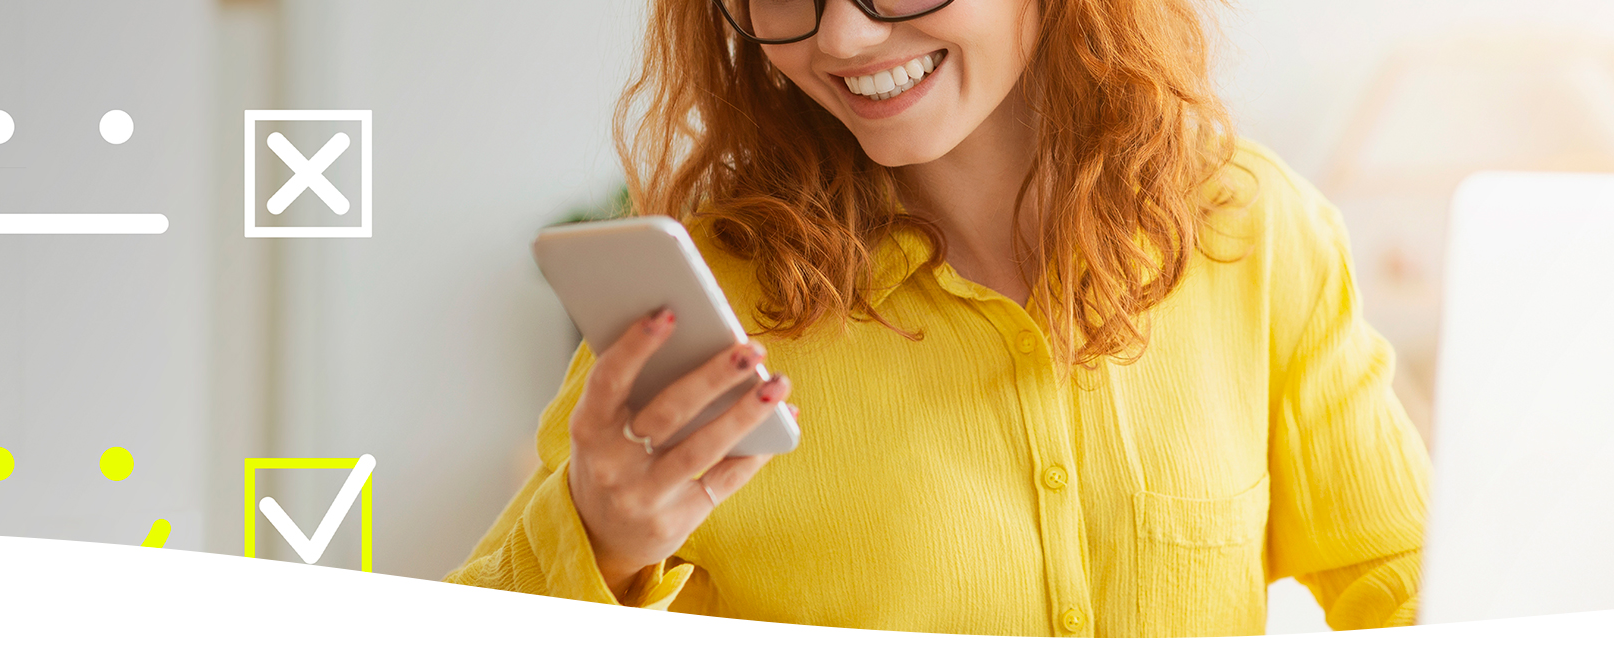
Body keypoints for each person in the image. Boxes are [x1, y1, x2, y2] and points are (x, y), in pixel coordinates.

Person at [446, 0, 1429, 636]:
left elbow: (1412, 587)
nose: (842, 38)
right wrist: (595, 539)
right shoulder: (709, 310)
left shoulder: (1252, 232)